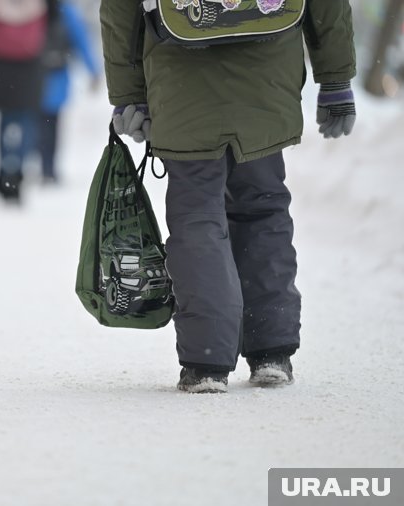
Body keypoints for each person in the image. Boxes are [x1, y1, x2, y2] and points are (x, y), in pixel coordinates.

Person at [100, 1, 356, 392]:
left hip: (181, 80)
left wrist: (128, 93)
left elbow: (120, 12)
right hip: (266, 77)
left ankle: (206, 361)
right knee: (263, 207)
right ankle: (271, 350)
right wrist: (335, 79)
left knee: (196, 217)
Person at [0, 0, 58, 204]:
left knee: (5, 116)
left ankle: (4, 169)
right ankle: (17, 170)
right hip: (30, 55)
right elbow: (54, 15)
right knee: (26, 117)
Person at [37, 0, 100, 185]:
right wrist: (93, 70)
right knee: (51, 122)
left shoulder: (31, 6)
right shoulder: (66, 9)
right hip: (56, 74)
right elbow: (80, 39)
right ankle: (48, 168)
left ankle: (33, 165)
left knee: (36, 121)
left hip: (32, 73)